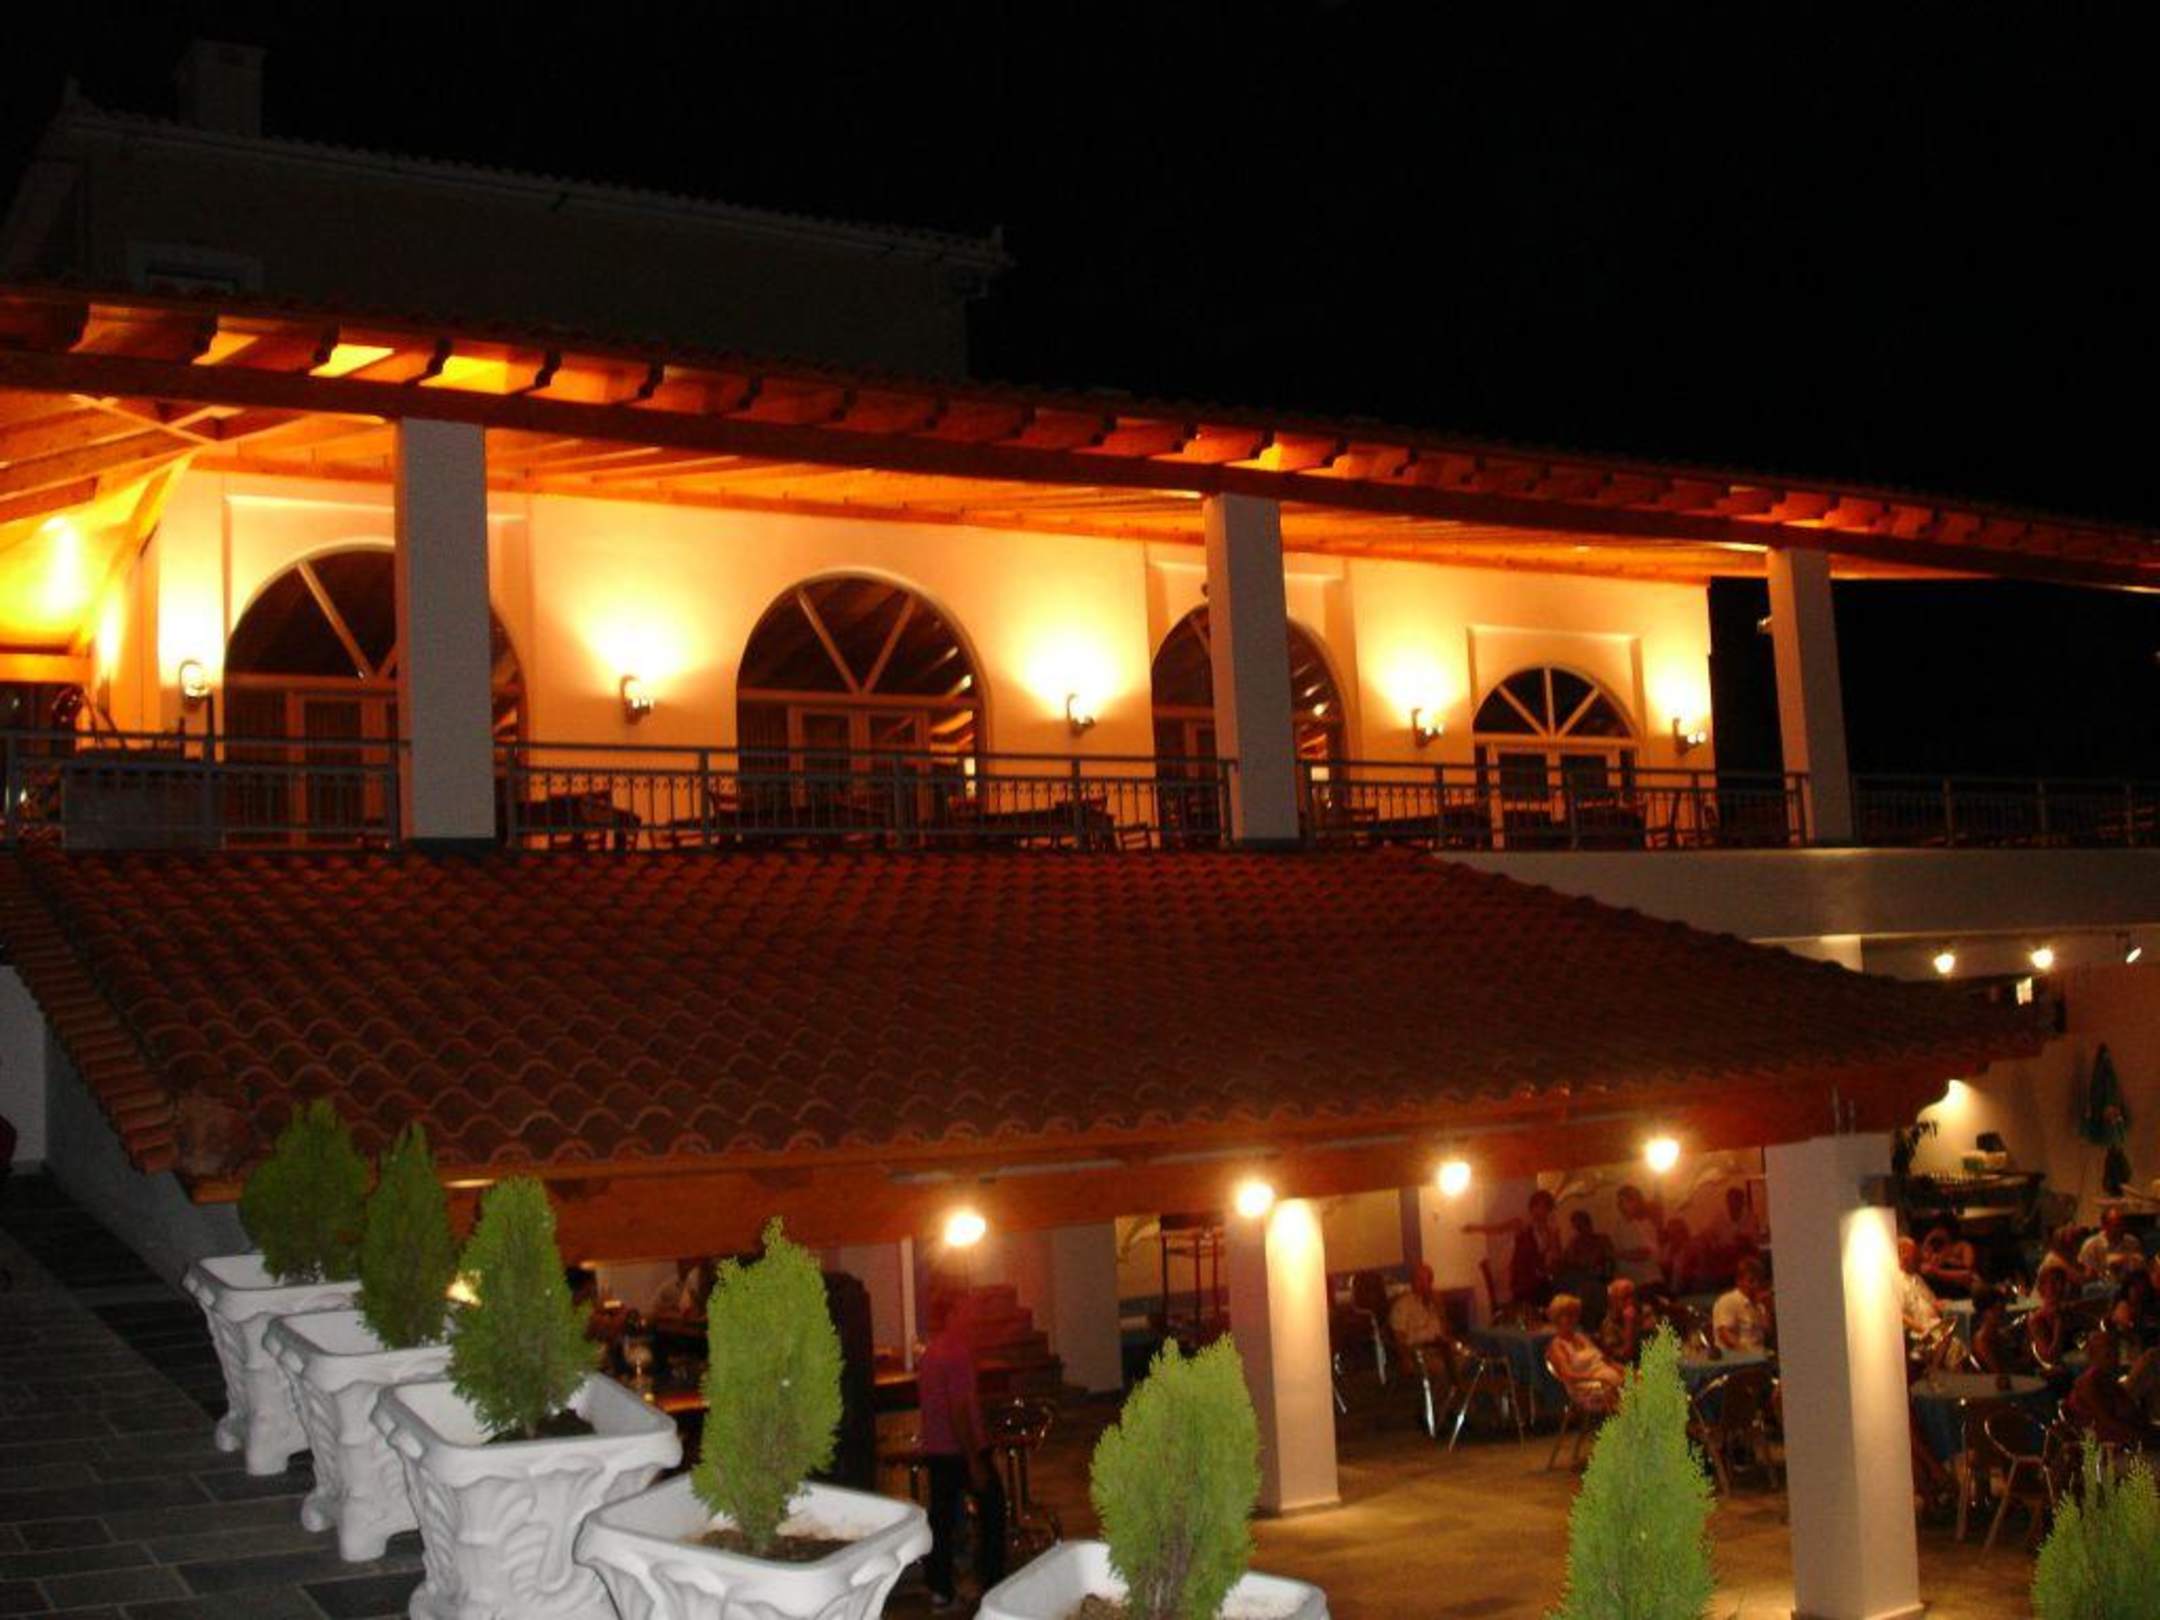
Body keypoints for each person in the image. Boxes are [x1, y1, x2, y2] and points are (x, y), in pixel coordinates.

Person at [917, 1289, 1006, 1609]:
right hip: (960, 1449)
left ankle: (940, 1588)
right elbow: (960, 1409)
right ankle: (992, 1585)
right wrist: (974, 1459)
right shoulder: (957, 1353)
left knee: (941, 1520)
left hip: (936, 1447)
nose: (973, 1316)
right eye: (966, 1310)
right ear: (952, 1315)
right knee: (993, 1512)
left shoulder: (930, 1353)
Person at [1464, 1188, 1562, 1311]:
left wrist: (1553, 1235)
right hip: (1523, 1281)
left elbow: (1555, 1256)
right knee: (1536, 1294)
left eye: (1545, 1207)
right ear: (1532, 1208)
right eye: (1538, 1206)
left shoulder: (1549, 1231)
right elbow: (1498, 1229)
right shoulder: (1522, 1225)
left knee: (1550, 1292)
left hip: (1539, 1280)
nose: (1541, 1211)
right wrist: (1474, 1228)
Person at [2066, 1330, 2160, 1452]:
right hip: (2116, 1445)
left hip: (2132, 1436)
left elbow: (2131, 1412)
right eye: (2108, 1355)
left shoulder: (2107, 1380)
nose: (2114, 1359)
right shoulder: (2089, 1383)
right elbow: (2109, 1423)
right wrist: (2146, 1437)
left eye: (2116, 1353)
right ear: (2093, 1355)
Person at [1546, 1293, 1625, 1412]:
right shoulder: (1557, 1346)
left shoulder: (1581, 1337)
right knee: (1629, 1391)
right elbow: (1568, 1376)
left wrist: (1623, 1369)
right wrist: (1597, 1377)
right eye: (1567, 1315)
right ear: (1557, 1318)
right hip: (1586, 1387)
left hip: (1606, 1380)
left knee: (1641, 1378)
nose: (1572, 1319)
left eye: (1574, 1315)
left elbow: (1604, 1360)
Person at [1387, 1262, 1454, 1385]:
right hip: (1418, 1350)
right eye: (1418, 1279)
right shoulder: (1403, 1305)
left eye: (1425, 1280)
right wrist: (1405, 1358)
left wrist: (1440, 1310)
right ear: (1412, 1282)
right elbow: (1398, 1337)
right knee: (1441, 1369)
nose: (1421, 1284)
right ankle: (1448, 1395)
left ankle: (1464, 1392)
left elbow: (1446, 1331)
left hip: (1441, 1347)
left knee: (1474, 1361)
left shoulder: (1435, 1302)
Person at [1712, 1256, 1773, 1353]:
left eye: (1759, 1281)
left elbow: (1768, 1333)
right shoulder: (1729, 1301)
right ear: (1739, 1281)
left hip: (1759, 1354)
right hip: (1736, 1357)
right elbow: (1725, 1335)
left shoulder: (1759, 1304)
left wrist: (1768, 1308)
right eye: (1751, 1281)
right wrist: (1747, 1352)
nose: (1756, 1285)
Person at [1614, 1184, 1666, 1288]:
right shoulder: (1620, 1225)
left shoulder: (1644, 1224)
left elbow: (1645, 1253)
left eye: (1626, 1201)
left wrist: (1618, 1254)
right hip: (1632, 1283)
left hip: (1648, 1282)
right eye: (1620, 1201)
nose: (1621, 1205)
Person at [1969, 1283, 2026, 1375]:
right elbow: (1998, 1373)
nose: (2001, 1313)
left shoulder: (2001, 1334)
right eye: (1996, 1310)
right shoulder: (1982, 1341)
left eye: (2003, 1309)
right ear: (1984, 1312)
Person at [1896, 1237, 1944, 1337]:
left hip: (1935, 1325)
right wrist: (1922, 1329)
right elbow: (1900, 1315)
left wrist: (1943, 1305)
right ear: (1903, 1254)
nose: (1918, 1258)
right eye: (1914, 1254)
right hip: (1919, 1334)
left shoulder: (1917, 1278)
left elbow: (1933, 1301)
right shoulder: (1897, 1281)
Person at [1918, 1219, 1978, 1299]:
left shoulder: (1962, 1246)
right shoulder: (1935, 1247)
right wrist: (1929, 1237)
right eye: (1936, 1229)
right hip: (1942, 1286)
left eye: (1940, 1229)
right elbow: (1923, 1259)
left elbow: (1968, 1270)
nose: (1937, 1232)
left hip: (1961, 1283)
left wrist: (1943, 1266)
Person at [2079, 1208, 2144, 1280]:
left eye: (2123, 1225)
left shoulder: (2132, 1242)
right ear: (2104, 1225)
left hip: (2128, 1282)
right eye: (2116, 1226)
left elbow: (2141, 1267)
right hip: (2101, 1284)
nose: (2121, 1229)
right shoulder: (2092, 1245)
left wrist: (2126, 1260)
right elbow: (2087, 1275)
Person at [1597, 1276, 1644, 1364]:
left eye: (1633, 1295)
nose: (1631, 1301)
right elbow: (1624, 1358)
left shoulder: (1643, 1314)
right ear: (1613, 1301)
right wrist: (1629, 1326)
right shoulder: (1609, 1325)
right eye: (1625, 1298)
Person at [1562, 1210, 1616, 1280]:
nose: (1580, 1230)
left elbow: (1610, 1263)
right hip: (1580, 1280)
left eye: (1581, 1226)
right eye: (1577, 1227)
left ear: (1589, 1224)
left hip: (1601, 1280)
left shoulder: (1603, 1240)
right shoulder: (1573, 1244)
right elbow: (1567, 1263)